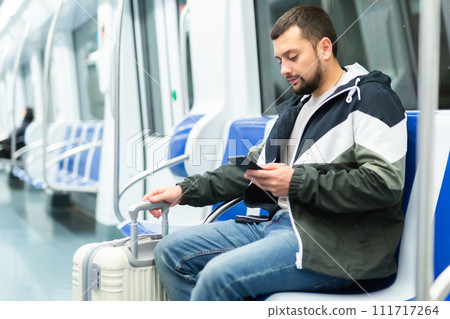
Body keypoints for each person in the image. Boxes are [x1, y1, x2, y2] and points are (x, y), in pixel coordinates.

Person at [142, 5, 407, 301]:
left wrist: (294, 182)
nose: (284, 70)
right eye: (279, 60)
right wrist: (183, 191)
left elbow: (383, 184)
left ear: (324, 48)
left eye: (292, 57)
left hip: (334, 245)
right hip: (279, 225)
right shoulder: (297, 108)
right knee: (170, 252)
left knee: (219, 278)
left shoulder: (370, 99)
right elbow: (252, 169)